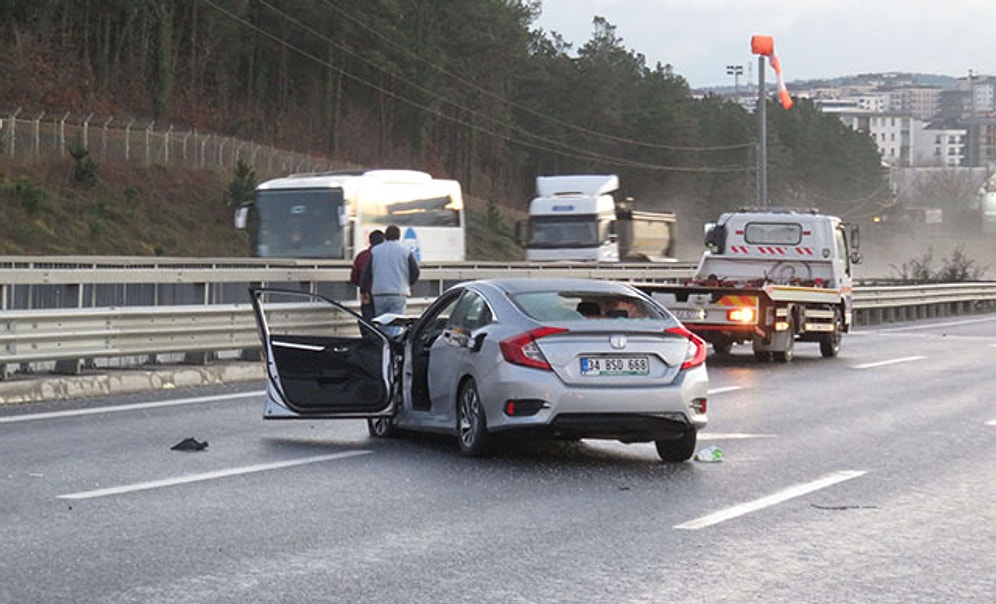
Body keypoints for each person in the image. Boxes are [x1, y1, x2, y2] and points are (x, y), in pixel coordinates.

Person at [361, 225, 420, 327]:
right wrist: (408, 283)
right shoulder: (405, 251)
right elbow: (415, 272)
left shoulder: (375, 251)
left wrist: (364, 290)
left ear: (386, 236)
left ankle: (383, 337)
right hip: (398, 293)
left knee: (381, 324)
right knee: (396, 324)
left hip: (379, 293)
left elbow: (367, 272)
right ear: (399, 236)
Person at [350, 229, 384, 321]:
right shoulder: (386, 256)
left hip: (367, 294)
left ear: (370, 241)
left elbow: (354, 277)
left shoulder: (362, 256)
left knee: (368, 321)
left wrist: (363, 289)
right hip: (384, 293)